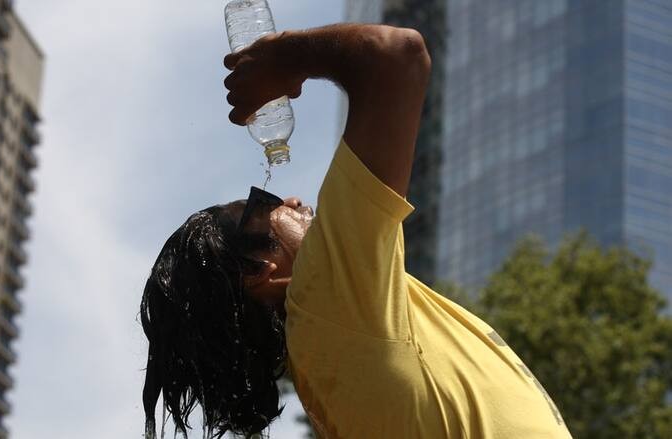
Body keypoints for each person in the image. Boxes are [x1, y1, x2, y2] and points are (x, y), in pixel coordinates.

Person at [140, 23, 572, 439]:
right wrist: (286, 55)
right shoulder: (325, 293)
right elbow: (395, 54)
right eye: (264, 205)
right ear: (261, 272)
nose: (290, 201)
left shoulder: (330, 364)